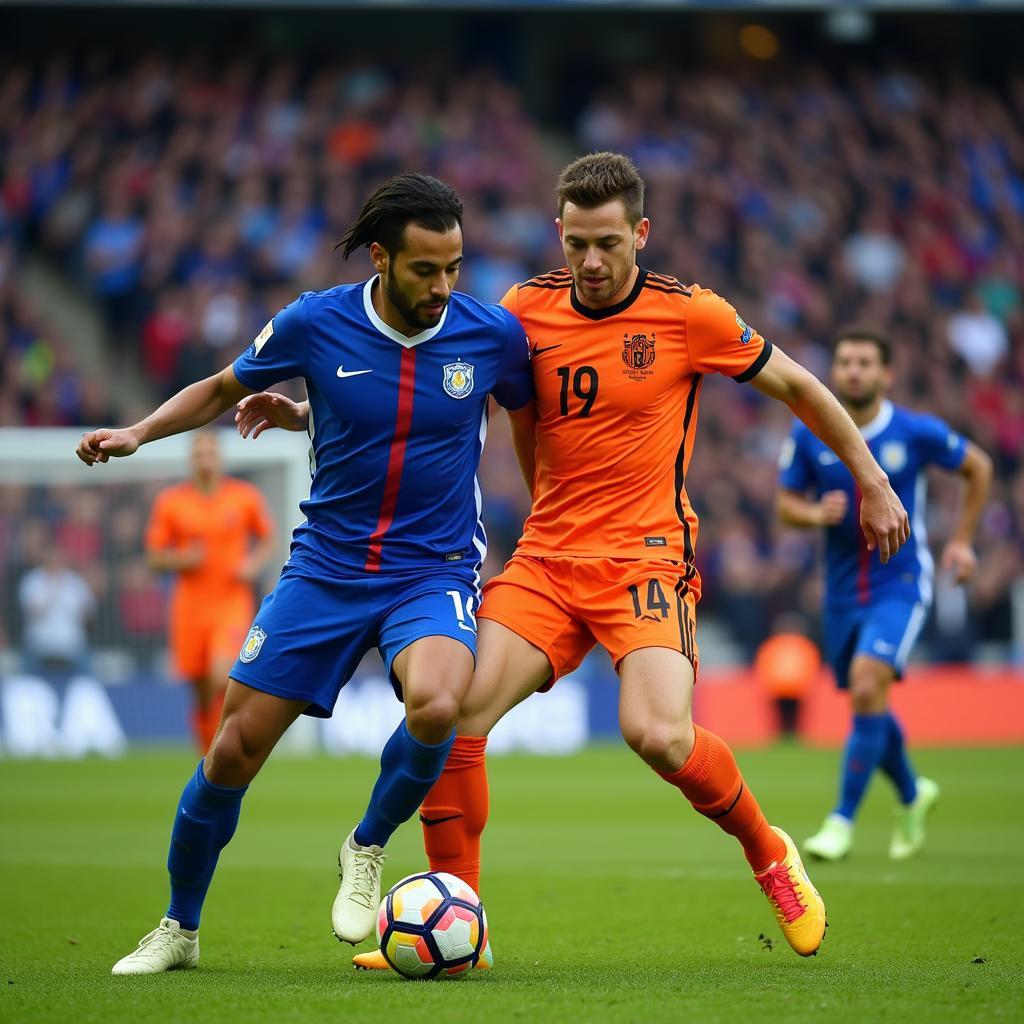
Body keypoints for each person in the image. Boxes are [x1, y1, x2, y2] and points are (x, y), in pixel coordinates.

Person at [244, 152, 909, 964]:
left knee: (659, 735)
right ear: (558, 233)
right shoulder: (522, 311)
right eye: (577, 244)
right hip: (550, 560)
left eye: (609, 244)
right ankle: (467, 923)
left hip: (646, 559)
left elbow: (802, 388)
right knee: (453, 719)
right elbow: (425, 381)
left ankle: (769, 853)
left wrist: (871, 481)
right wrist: (304, 412)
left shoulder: (692, 315)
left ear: (641, 233)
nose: (592, 263)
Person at [75, 173, 534, 975]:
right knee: (231, 753)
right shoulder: (315, 323)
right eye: (426, 269)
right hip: (326, 565)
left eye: (455, 267)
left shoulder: (489, 335)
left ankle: (367, 845)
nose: (443, 286)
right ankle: (178, 929)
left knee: (437, 702)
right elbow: (223, 387)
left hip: (432, 569)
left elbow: (536, 419)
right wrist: (141, 432)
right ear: (382, 259)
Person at [776, 327, 992, 861]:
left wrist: (962, 541)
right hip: (841, 592)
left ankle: (841, 822)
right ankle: (915, 795)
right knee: (866, 694)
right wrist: (811, 514)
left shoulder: (914, 432)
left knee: (868, 681)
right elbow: (784, 504)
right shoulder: (809, 433)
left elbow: (978, 467)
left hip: (901, 582)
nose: (852, 371)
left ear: (885, 374)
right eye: (845, 361)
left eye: (864, 363)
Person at [146, 431, 275, 753]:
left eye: (210, 453)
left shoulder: (244, 497)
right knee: (202, 693)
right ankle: (208, 757)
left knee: (222, 675)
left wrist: (253, 564)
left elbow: (269, 539)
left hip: (230, 603)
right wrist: (183, 558)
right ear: (191, 460)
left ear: (220, 458)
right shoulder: (171, 502)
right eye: (199, 454)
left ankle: (226, 747)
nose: (205, 460)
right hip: (189, 608)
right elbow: (154, 558)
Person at [18, 544, 95, 676]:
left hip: (71, 645)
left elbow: (88, 614)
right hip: (39, 644)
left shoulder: (75, 582)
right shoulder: (32, 581)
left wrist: (82, 617)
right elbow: (31, 613)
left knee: (88, 669)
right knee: (26, 671)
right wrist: (52, 591)